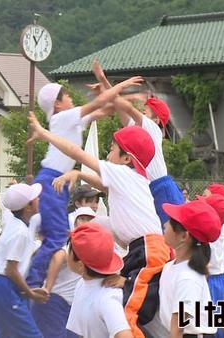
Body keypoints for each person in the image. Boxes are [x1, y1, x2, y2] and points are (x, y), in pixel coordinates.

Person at [29, 114, 168, 338]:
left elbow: (77, 153)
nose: (107, 154)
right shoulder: (129, 179)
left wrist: (44, 133)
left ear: (126, 159)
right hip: (139, 251)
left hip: (149, 252)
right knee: (123, 303)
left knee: (128, 314)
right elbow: (104, 185)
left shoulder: (123, 174)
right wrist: (78, 173)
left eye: (112, 149)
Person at [26, 76, 145, 289]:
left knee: (57, 236)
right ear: (57, 104)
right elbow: (98, 105)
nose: (71, 98)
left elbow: (104, 110)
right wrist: (121, 86)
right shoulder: (62, 118)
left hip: (57, 180)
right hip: (52, 178)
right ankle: (32, 283)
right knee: (56, 237)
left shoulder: (70, 119)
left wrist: (122, 100)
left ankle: (37, 282)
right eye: (67, 95)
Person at [92, 60, 184, 225]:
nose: (140, 113)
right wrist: (105, 82)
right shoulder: (138, 132)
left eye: (145, 111)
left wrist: (112, 87)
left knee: (172, 235)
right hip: (150, 190)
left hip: (162, 188)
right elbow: (119, 107)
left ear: (156, 119)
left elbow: (126, 106)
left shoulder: (152, 129)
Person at [0, 183, 49, 338]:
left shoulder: (16, 224)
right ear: (28, 207)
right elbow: (11, 269)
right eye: (36, 198)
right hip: (4, 285)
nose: (39, 199)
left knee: (3, 333)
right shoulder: (20, 232)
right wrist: (29, 293)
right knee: (31, 334)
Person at [159, 201, 220, 337]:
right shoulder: (172, 266)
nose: (164, 224)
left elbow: (178, 326)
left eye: (170, 222)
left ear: (184, 236)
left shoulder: (188, 277)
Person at [33, 207, 95, 338]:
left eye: (90, 219)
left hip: (72, 305)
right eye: (82, 219)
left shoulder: (94, 244)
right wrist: (48, 288)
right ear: (74, 223)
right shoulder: (70, 243)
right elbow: (59, 256)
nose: (87, 223)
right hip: (54, 301)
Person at [66, 222, 131, 338]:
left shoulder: (107, 297)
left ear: (81, 266)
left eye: (69, 250)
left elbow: (125, 335)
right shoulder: (82, 284)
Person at [196, 193, 224, 338]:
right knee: (220, 326)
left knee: (211, 327)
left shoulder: (209, 234)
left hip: (211, 282)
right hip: (223, 280)